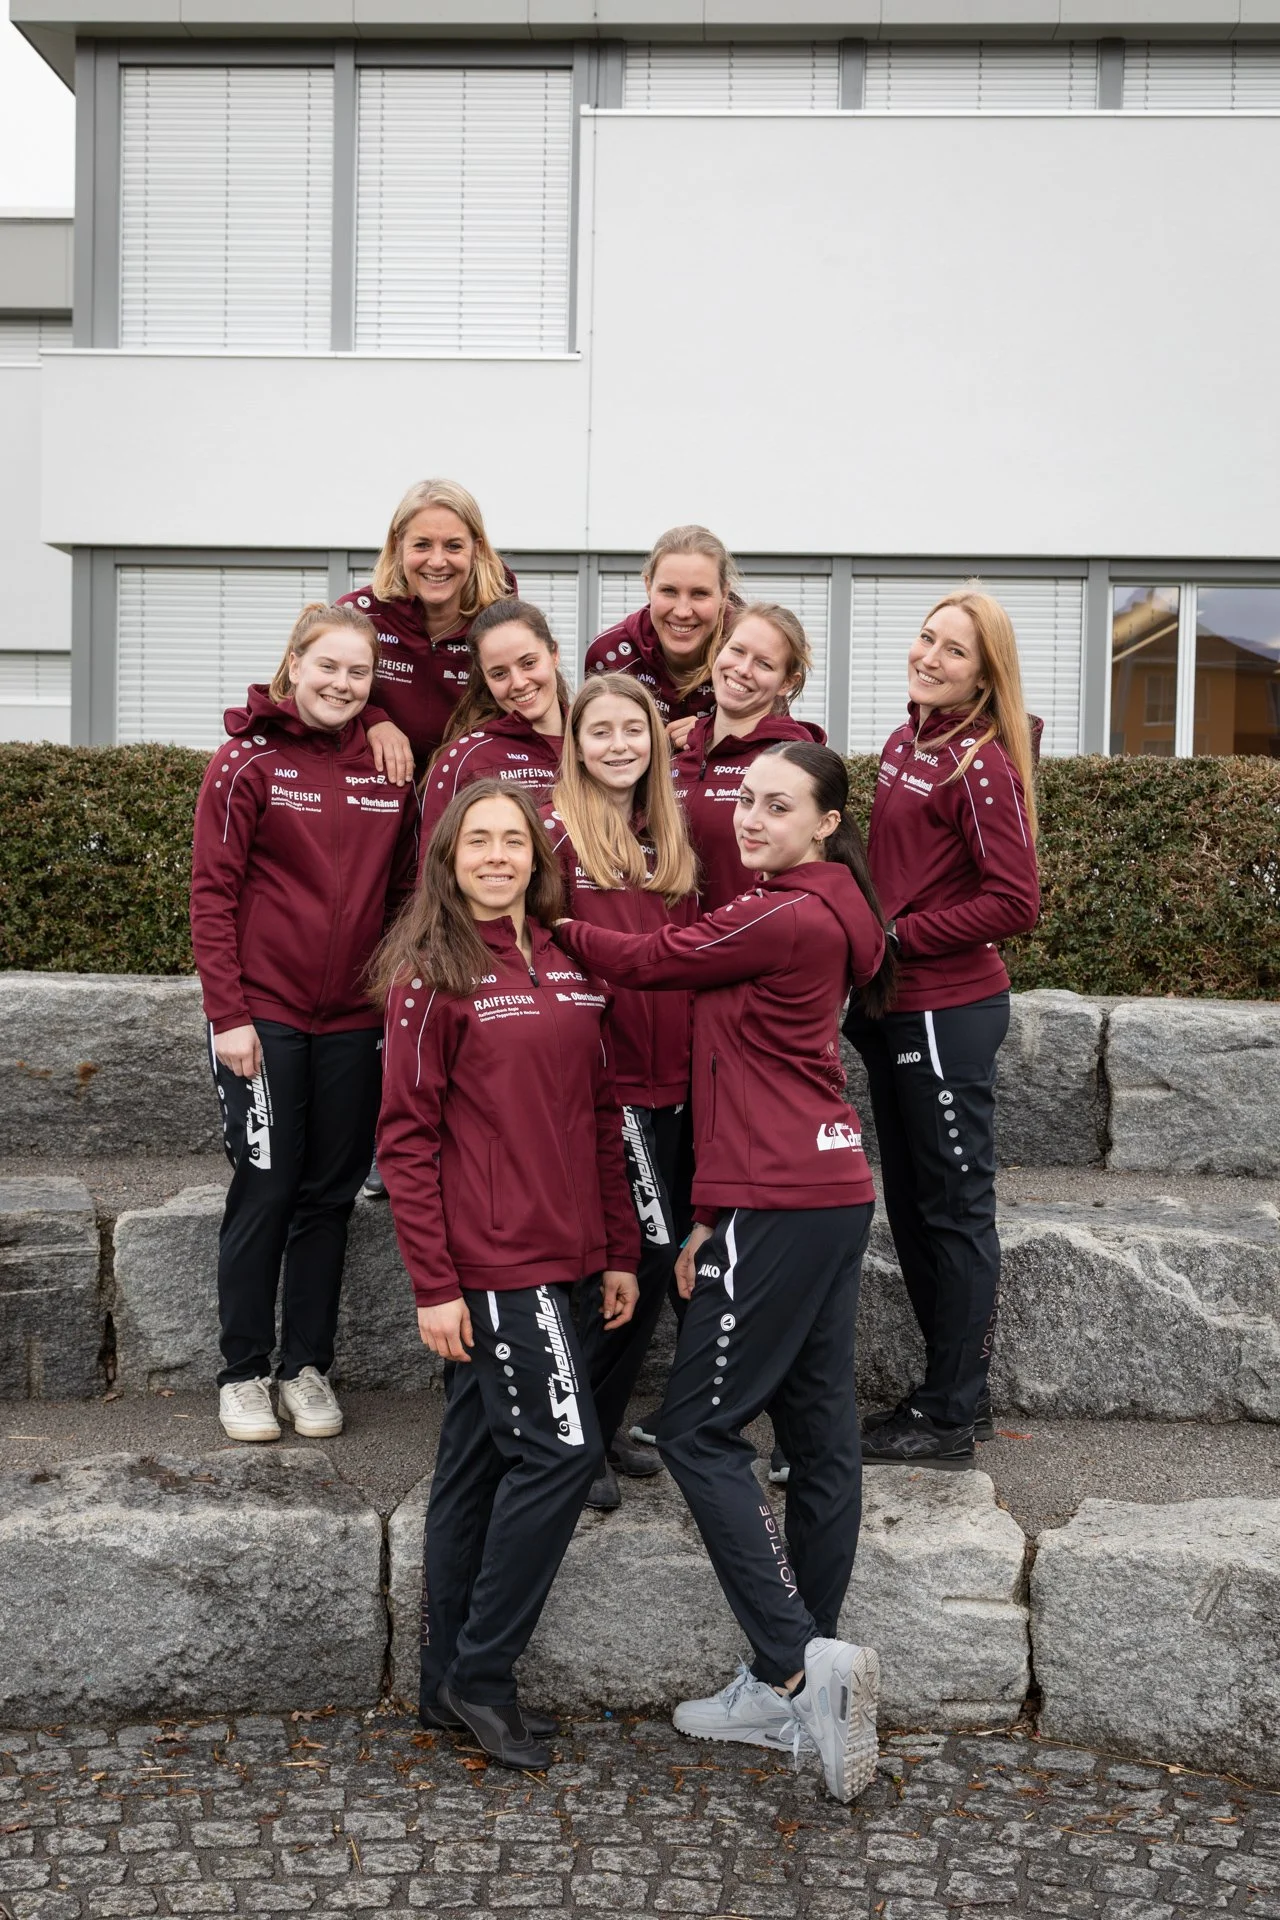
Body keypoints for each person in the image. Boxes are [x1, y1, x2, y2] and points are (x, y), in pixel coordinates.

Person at [553, 741, 896, 1806]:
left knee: (697, 1431)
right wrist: (706, 1215)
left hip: (781, 1196)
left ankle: (796, 1667)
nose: (750, 818)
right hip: (820, 1187)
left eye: (778, 806)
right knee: (821, 1440)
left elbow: (651, 961)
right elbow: (740, 1066)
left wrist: (545, 920)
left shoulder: (784, 912)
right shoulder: (834, 909)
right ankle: (791, 1682)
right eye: (745, 799)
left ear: (826, 823)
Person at [373, 780, 640, 1771]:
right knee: (564, 1453)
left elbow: (601, 1115)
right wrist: (433, 1284)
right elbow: (405, 1141)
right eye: (476, 840)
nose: (496, 855)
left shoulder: (569, 964)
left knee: (479, 1463)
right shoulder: (429, 973)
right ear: (447, 858)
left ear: (536, 856)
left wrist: (617, 1249)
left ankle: (443, 1681)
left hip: (569, 1254)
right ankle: (483, 1675)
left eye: (512, 841)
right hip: (492, 1261)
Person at [190, 602, 418, 1445]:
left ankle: (305, 1367)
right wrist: (229, 1016)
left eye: (359, 672)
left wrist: (392, 1001)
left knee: (328, 1197)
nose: (341, 684)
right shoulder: (246, 760)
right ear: (295, 665)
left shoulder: (389, 770)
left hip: (355, 1023)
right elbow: (212, 894)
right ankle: (244, 1372)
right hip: (265, 1017)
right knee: (267, 1187)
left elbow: (404, 895)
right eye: (328, 666)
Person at [846, 587, 1040, 1470]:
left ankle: (950, 1416)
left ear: (984, 674)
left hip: (946, 1012)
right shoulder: (906, 739)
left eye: (954, 650)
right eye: (927, 638)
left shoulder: (981, 764)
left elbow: (1015, 901)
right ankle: (952, 1387)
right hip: (893, 1008)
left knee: (954, 1215)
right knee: (918, 1211)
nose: (930, 656)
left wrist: (898, 938)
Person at [541, 674, 698, 1512]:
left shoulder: (667, 836)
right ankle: (575, 1442)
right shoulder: (556, 834)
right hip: (611, 1083)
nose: (617, 745)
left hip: (676, 1078)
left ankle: (598, 1429)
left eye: (632, 730)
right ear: (575, 743)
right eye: (598, 730)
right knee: (640, 1255)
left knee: (649, 1259)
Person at [338, 477, 518, 780]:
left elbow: (535, 708)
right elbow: (308, 695)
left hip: (472, 792)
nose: (437, 561)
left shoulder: (504, 624)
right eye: (422, 545)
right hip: (375, 792)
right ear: (397, 545)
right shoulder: (359, 616)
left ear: (476, 549)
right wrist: (372, 719)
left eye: (453, 546)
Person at [673, 603, 827, 912]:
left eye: (764, 664)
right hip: (666, 939)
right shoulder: (681, 751)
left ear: (787, 683)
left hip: (746, 938)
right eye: (737, 650)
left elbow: (808, 882)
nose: (743, 669)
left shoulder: (793, 764)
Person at [418, 599, 569, 844]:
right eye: (499, 674)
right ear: (485, 678)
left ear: (554, 654)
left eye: (529, 663)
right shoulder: (465, 760)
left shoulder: (598, 742)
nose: (519, 683)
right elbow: (434, 862)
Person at [584, 525, 739, 743]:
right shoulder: (610, 654)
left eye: (700, 593)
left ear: (724, 593)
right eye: (669, 591)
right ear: (648, 585)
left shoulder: (752, 650)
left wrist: (715, 732)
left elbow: (777, 741)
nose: (683, 612)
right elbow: (592, 743)